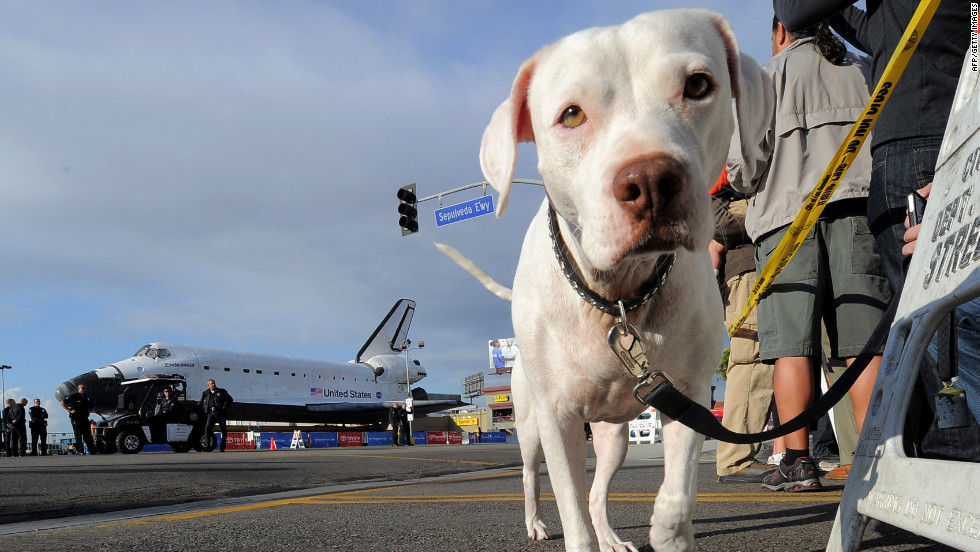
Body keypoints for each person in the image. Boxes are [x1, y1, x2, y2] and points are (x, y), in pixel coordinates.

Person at [776, 0, 980, 466]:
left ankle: (960, 473)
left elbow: (793, 9)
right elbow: (874, 33)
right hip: (935, 139)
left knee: (939, 325)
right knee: (931, 324)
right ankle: (944, 464)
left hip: (922, 145)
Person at [727, 17, 892, 492]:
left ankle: (796, 461)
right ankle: (876, 458)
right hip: (857, 213)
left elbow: (743, 168)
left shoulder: (766, 79)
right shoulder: (862, 69)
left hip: (785, 225)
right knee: (865, 343)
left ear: (781, 29)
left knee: (791, 346)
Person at [709, 187, 776, 483]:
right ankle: (735, 459)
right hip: (750, 267)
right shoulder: (725, 178)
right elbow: (718, 225)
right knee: (752, 359)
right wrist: (778, 210)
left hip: (768, 261)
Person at [60, 383, 104, 455]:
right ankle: (80, 450)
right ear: (78, 389)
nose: (84, 390)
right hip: (76, 418)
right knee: (78, 435)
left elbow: (92, 408)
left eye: (85, 388)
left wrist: (100, 415)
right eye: (82, 388)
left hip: (84, 418)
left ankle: (92, 450)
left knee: (88, 435)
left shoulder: (86, 398)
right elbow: (62, 403)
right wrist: (69, 410)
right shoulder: (74, 396)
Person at [198, 379, 233, 452]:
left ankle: (222, 447)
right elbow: (201, 401)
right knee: (207, 429)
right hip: (211, 413)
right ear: (208, 385)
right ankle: (207, 447)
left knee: (223, 430)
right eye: (211, 384)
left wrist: (225, 405)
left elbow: (230, 399)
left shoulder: (221, 391)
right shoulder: (205, 393)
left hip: (220, 413)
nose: (213, 385)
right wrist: (195, 407)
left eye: (214, 383)